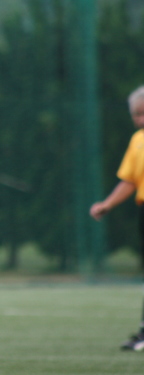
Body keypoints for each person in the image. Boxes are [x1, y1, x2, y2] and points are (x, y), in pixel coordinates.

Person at [90, 85, 144, 351]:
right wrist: (107, 204)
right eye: (137, 114)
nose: (141, 119)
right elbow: (129, 180)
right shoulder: (137, 141)